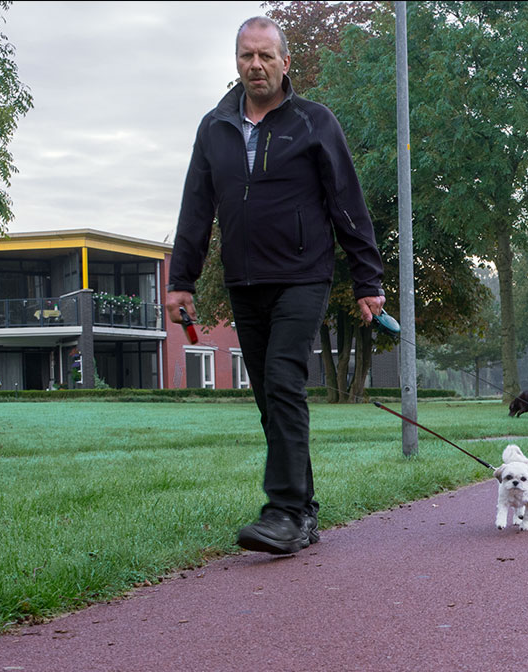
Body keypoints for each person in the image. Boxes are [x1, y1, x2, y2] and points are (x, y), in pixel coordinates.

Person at [166, 16, 386, 556]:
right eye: (246, 56)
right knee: (269, 396)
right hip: (245, 281)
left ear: (286, 63)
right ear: (235, 62)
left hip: (303, 275)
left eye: (266, 56)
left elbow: (347, 203)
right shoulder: (214, 126)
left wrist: (367, 279)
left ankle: (284, 510)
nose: (255, 65)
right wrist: (181, 281)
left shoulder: (313, 122)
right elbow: (196, 209)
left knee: (284, 382)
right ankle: (304, 511)